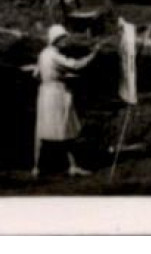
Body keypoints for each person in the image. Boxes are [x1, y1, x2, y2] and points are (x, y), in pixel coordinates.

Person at [28, 23, 103, 178]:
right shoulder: (55, 55)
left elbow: (36, 74)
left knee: (42, 130)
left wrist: (57, 77)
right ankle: (72, 166)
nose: (65, 42)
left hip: (44, 93)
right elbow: (76, 65)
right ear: (56, 40)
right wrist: (93, 54)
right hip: (57, 94)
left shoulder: (43, 54)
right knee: (66, 128)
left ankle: (37, 168)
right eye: (62, 39)